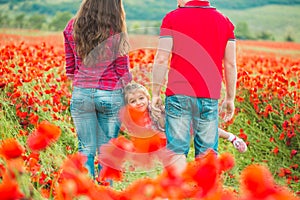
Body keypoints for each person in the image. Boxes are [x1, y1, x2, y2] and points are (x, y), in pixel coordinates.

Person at [151, 0, 238, 174]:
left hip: (178, 94)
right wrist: (230, 98)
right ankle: (205, 193)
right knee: (207, 154)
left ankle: (177, 191)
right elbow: (230, 64)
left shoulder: (172, 18)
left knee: (176, 151)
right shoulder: (224, 22)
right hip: (209, 96)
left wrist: (155, 93)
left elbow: (162, 58)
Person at [63, 0, 132, 178]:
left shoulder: (72, 26)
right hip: (110, 93)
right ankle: (105, 195)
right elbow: (122, 70)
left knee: (85, 149)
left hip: (82, 93)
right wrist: (130, 92)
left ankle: (86, 193)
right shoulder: (115, 28)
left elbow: (70, 69)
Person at [124, 83, 246, 153]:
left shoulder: (154, 108)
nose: (139, 103)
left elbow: (163, 123)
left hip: (179, 121)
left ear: (148, 98)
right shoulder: (133, 118)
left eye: (141, 98)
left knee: (205, 128)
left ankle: (233, 138)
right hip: (169, 137)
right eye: (133, 101)